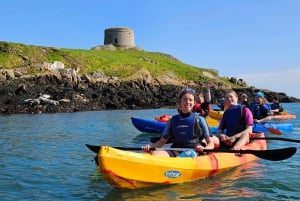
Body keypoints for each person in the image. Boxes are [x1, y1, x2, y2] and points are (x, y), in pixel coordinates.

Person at [142, 88, 219, 157]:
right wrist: (150, 147)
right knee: (154, 154)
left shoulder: (200, 119)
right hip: (175, 150)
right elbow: (161, 142)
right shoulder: (172, 120)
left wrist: (205, 148)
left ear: (194, 103)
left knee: (187, 154)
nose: (187, 102)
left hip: (195, 151)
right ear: (180, 102)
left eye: (190, 100)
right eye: (184, 99)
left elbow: (210, 143)